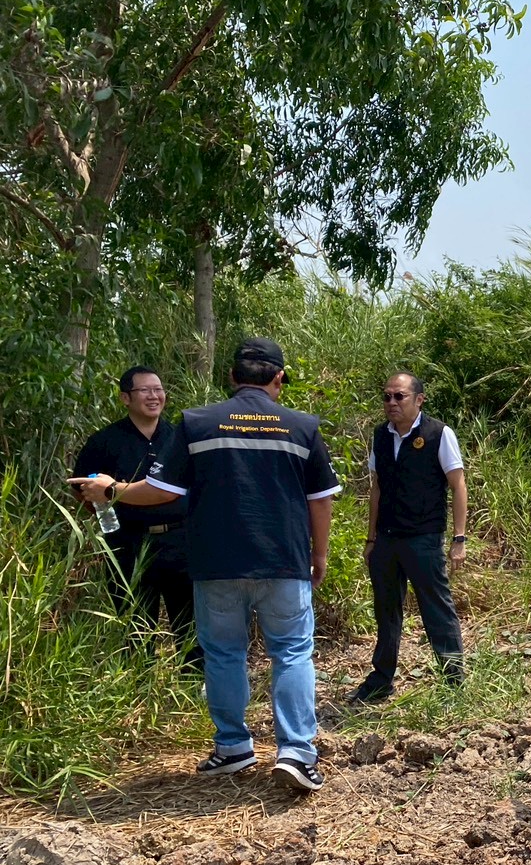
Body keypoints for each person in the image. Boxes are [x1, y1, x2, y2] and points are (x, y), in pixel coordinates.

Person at [72, 338, 341, 792]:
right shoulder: (302, 426)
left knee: (223, 654)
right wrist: (319, 556)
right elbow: (320, 501)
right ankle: (297, 752)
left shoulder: (197, 424)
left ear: (232, 378)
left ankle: (233, 746)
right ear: (278, 379)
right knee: (291, 653)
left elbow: (163, 492)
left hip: (215, 563)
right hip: (282, 562)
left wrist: (113, 489)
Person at [350, 372, 468, 703]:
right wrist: (370, 539)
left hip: (424, 538)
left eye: (399, 396)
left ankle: (453, 681)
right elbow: (376, 488)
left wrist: (460, 538)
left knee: (436, 608)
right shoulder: (380, 436)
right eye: (386, 396)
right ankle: (381, 679)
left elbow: (458, 485)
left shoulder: (438, 434)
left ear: (419, 400)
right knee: (386, 609)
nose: (391, 403)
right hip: (386, 539)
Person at [72, 366, 197, 669]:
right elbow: (82, 490)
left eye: (159, 389)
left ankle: (194, 692)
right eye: (145, 390)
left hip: (181, 542)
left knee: (191, 627)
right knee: (135, 627)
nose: (155, 396)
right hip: (128, 543)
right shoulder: (104, 441)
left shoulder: (179, 438)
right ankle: (138, 693)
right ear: (125, 398)